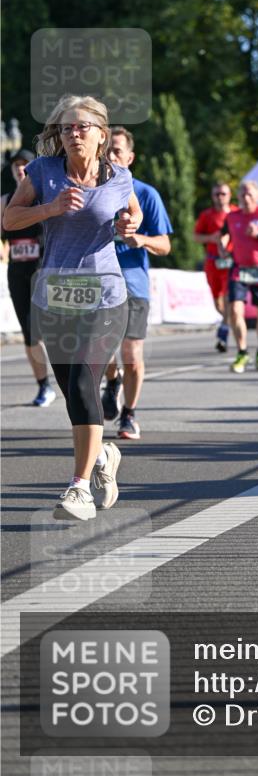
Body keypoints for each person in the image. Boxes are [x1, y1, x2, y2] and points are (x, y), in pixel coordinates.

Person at [2, 95, 142, 520]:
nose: (73, 134)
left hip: (105, 296)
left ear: (101, 134)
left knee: (82, 379)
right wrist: (51, 208)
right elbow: (9, 219)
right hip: (55, 296)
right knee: (73, 393)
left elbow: (133, 217)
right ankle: (102, 456)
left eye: (82, 127)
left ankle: (79, 488)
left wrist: (129, 225)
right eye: (66, 128)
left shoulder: (119, 177)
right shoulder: (43, 172)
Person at [100, 127, 173, 439]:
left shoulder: (145, 194)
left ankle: (129, 414)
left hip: (134, 285)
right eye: (107, 150)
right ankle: (111, 380)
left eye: (117, 151)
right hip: (98, 284)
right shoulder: (92, 190)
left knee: (131, 355)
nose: (111, 156)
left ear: (130, 158)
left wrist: (140, 239)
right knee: (101, 351)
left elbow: (165, 245)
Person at [0, 149, 56, 406]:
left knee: (55, 331)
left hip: (44, 271)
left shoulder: (46, 197)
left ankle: (79, 376)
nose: (20, 168)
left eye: (25, 164)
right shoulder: (5, 201)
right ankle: (44, 386)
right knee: (30, 333)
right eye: (16, 165)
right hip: (18, 272)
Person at [220, 180, 258, 373]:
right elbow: (224, 234)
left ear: (257, 197)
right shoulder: (232, 216)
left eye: (250, 195)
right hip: (239, 268)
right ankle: (242, 352)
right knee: (235, 310)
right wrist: (223, 245)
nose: (246, 198)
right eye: (243, 195)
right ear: (238, 196)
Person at [194, 183, 237, 352]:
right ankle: (228, 321)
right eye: (217, 194)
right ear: (213, 196)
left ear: (229, 195)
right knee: (218, 304)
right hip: (213, 263)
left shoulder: (236, 213)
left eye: (223, 194)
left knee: (228, 299)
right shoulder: (207, 215)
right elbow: (196, 237)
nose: (220, 197)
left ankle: (223, 332)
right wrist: (211, 238)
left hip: (232, 263)